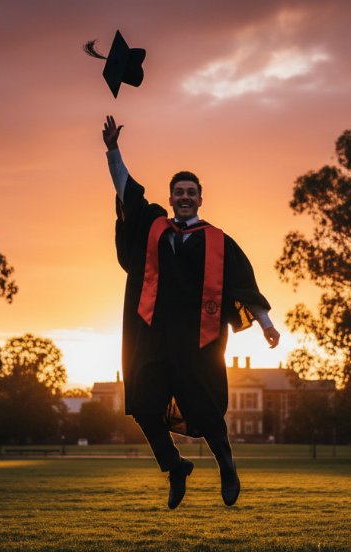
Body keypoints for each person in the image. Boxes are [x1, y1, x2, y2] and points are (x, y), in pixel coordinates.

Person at [103, 115, 280, 509]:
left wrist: (266, 324)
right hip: (152, 335)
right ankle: (174, 465)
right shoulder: (154, 228)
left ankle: (227, 463)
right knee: (143, 404)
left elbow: (243, 284)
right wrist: (113, 150)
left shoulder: (218, 241)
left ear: (200, 198)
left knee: (205, 408)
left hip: (199, 340)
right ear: (171, 198)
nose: (184, 197)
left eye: (191, 192)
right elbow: (127, 191)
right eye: (178, 192)